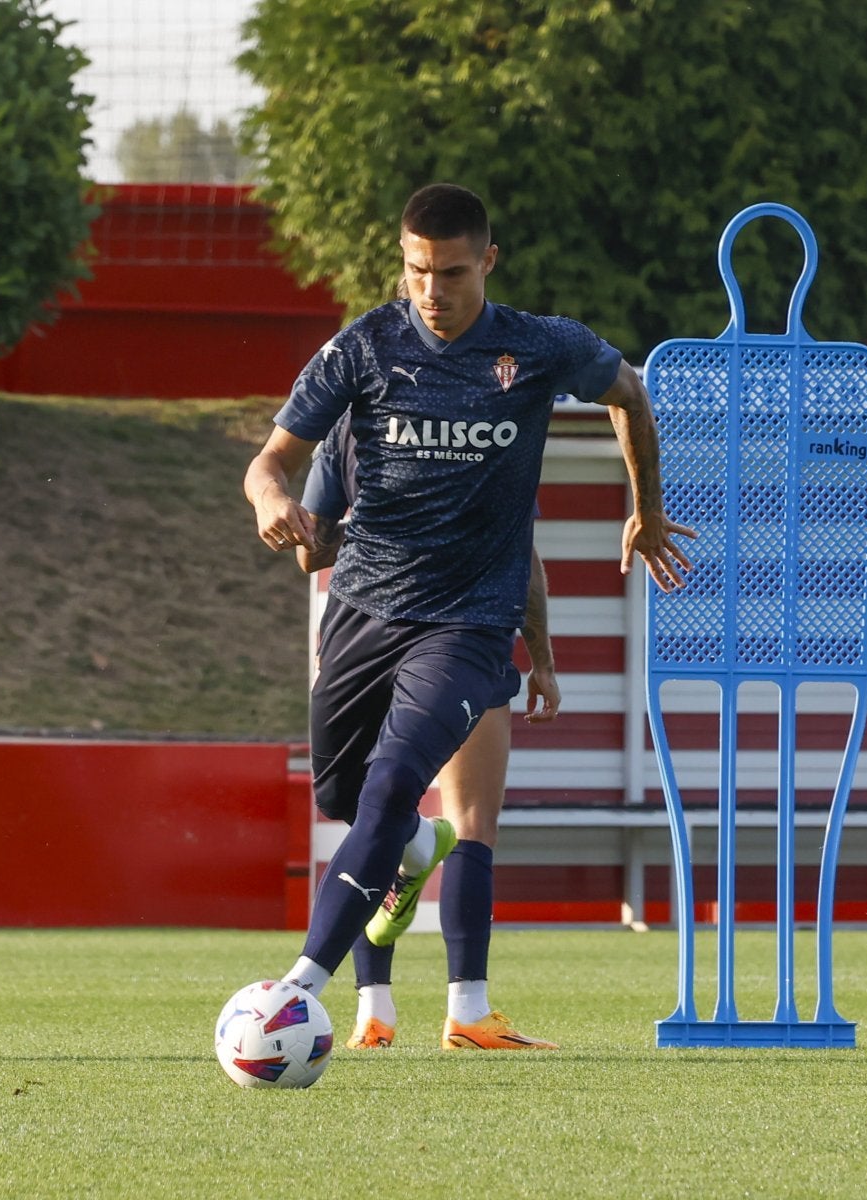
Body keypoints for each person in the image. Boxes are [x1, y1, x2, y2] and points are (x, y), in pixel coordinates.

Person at [242, 182, 691, 1052]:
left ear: (487, 261)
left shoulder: (540, 346)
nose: (432, 291)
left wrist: (648, 510)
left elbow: (629, 393)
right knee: (347, 800)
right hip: (363, 610)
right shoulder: (363, 349)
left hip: (468, 624)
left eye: (450, 273)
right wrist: (270, 500)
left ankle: (298, 992)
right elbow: (272, 461)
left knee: (391, 785)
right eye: (418, 271)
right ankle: (416, 852)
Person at [295, 410, 563, 1049]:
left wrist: (542, 659)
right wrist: (543, 660)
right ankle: (441, 1008)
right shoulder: (477, 422)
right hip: (432, 635)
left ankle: (397, 1011)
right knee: (434, 818)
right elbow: (523, 554)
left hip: (428, 638)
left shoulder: (356, 426)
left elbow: (312, 550)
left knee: (401, 814)